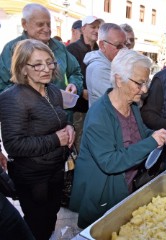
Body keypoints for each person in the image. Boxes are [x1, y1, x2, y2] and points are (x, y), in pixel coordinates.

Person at [69, 48, 166, 229]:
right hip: (103, 192)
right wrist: (152, 141)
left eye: (146, 83)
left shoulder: (132, 105)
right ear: (118, 79)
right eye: (139, 83)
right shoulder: (99, 115)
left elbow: (140, 133)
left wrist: (159, 133)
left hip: (126, 184)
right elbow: (111, 162)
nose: (144, 90)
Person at [0, 39, 75, 240]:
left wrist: (69, 127)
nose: (46, 69)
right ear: (23, 68)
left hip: (55, 169)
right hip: (32, 176)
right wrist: (54, 140)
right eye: (37, 64)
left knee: (50, 218)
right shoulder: (12, 98)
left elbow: (60, 119)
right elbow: (14, 145)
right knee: (36, 224)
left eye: (50, 62)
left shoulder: (52, 90)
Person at [0, 3, 83, 97]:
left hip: (60, 109)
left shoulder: (59, 47)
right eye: (40, 24)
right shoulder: (12, 49)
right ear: (24, 24)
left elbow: (75, 71)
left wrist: (74, 85)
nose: (47, 29)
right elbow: (3, 86)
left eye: (49, 24)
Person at [67, 16, 104, 151]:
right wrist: (81, 90)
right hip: (80, 108)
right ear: (83, 29)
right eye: (93, 27)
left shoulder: (99, 51)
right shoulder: (72, 49)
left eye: (98, 27)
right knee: (80, 144)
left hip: (96, 107)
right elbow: (69, 74)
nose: (96, 30)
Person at [85, 23, 127, 107]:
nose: (124, 49)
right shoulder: (99, 69)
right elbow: (120, 102)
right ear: (102, 45)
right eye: (118, 46)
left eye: (125, 44)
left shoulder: (113, 62)